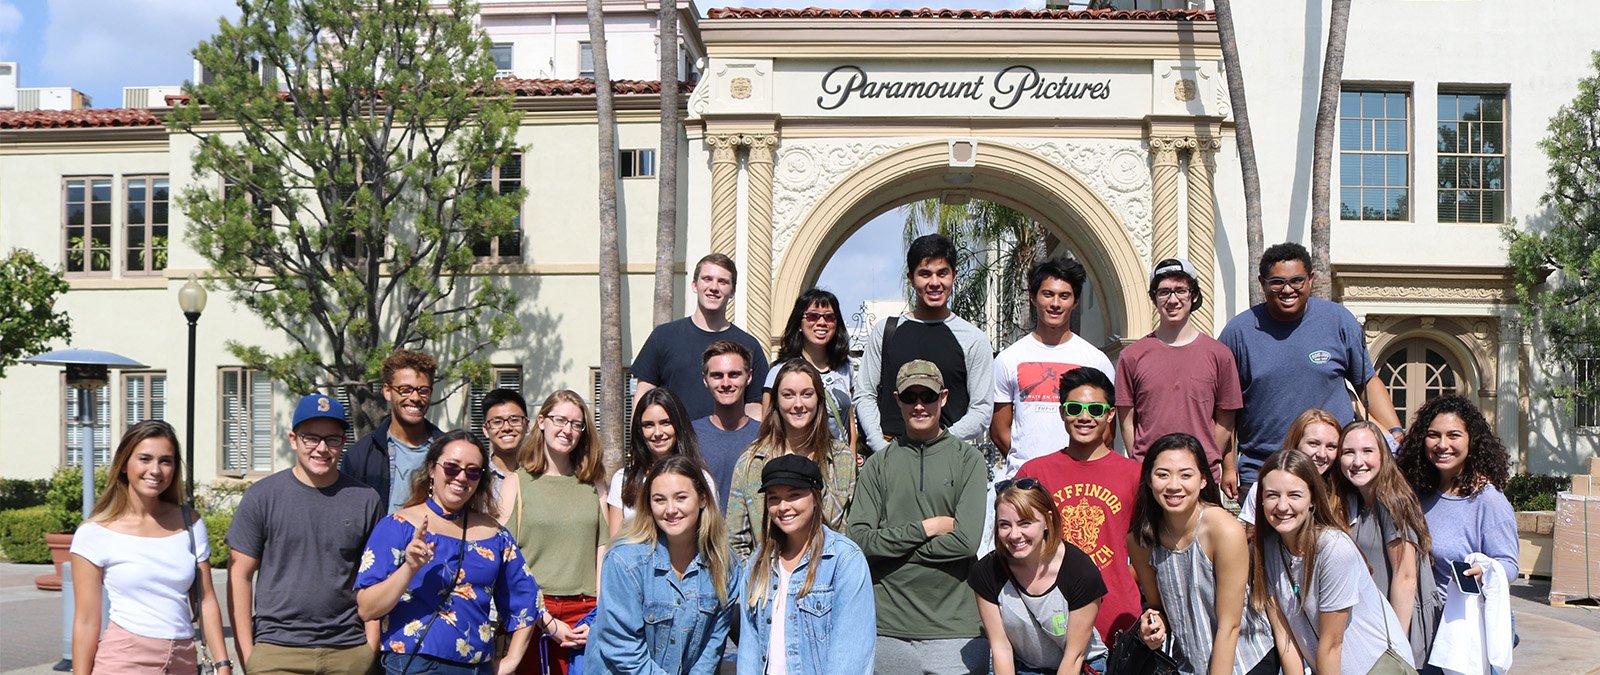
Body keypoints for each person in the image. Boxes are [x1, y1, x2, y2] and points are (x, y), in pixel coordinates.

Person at [1218, 242, 1403, 497]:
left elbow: (1366, 382)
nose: (1287, 290)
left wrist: (1395, 432)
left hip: (1331, 469)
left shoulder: (1338, 320)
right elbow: (1227, 409)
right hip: (1263, 471)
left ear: (1311, 279)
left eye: (1297, 281)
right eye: (1277, 282)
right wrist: (1228, 466)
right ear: (1262, 283)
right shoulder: (1238, 333)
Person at [354, 430, 542, 674]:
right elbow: (367, 608)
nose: (461, 477)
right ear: (432, 469)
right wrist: (409, 568)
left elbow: (527, 596)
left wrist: (512, 660)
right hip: (414, 664)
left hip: (476, 667)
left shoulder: (495, 534)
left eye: (473, 471)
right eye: (452, 467)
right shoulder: (397, 526)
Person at [846, 360, 989, 674]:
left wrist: (894, 550)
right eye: (911, 397)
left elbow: (965, 543)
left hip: (956, 629)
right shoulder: (877, 465)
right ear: (898, 399)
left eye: (929, 396)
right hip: (888, 628)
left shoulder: (969, 461)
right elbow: (859, 540)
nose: (920, 405)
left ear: (944, 397)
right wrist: (930, 527)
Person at [227, 394, 384, 673]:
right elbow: (239, 574)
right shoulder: (263, 496)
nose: (322, 448)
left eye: (332, 439)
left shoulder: (365, 499)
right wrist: (247, 653)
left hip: (348, 650)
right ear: (293, 439)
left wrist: (370, 647)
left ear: (342, 443)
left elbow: (372, 577)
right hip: (277, 649)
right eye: (311, 438)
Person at [70, 420, 233, 675]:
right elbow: (87, 621)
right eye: (145, 459)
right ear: (124, 464)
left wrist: (223, 662)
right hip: (124, 660)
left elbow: (206, 600)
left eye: (165, 461)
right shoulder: (94, 533)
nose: (155, 470)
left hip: (183, 660)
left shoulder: (190, 523)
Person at [1252, 450, 1415, 675]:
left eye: (1294, 495)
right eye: (1272, 495)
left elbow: (1332, 645)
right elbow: (1285, 637)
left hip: (1378, 668)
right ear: (1260, 500)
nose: (1282, 505)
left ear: (1312, 500)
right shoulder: (1268, 548)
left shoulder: (1333, 548)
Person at [1127, 433, 1278, 675]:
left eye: (1186, 475)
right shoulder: (1139, 541)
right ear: (1148, 479)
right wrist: (1154, 626)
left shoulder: (1224, 530)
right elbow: (1158, 606)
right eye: (1162, 474)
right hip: (1189, 663)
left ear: (1204, 481)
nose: (1174, 485)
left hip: (1245, 661)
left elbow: (1230, 624)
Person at [1015, 366, 1141, 641]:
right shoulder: (1033, 474)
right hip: (1050, 622)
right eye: (1074, 408)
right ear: (1062, 413)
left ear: (1110, 414)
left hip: (1117, 621)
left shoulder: (1134, 475)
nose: (1085, 417)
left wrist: (1122, 578)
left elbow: (1147, 549)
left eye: (1096, 410)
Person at [586, 455, 739, 674]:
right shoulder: (624, 561)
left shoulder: (726, 564)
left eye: (681, 497)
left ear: (703, 499)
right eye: (659, 500)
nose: (670, 509)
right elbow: (622, 647)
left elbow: (712, 647)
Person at [856, 233, 995, 453]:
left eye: (942, 273)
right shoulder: (885, 332)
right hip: (890, 453)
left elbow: (982, 410)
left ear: (954, 276)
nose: (934, 283)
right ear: (910, 278)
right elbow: (865, 394)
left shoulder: (973, 339)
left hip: (948, 458)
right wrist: (881, 447)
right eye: (925, 274)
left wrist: (939, 443)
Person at [1115, 258, 1244, 496]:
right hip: (1149, 477)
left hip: (1201, 478)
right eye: (1164, 292)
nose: (1172, 300)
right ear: (1154, 297)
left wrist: (1201, 460)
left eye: (1180, 290)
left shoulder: (1220, 355)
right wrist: (1142, 462)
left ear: (1194, 296)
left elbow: (1226, 419)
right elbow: (1127, 419)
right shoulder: (1131, 356)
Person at [737, 454, 875, 674]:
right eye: (774, 498)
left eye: (794, 495)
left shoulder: (844, 560)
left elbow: (850, 656)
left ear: (815, 497)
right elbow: (749, 649)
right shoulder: (759, 562)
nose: (783, 507)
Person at [508, 391, 609, 675]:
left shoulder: (594, 483)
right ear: (541, 421)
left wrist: (598, 617)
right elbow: (508, 561)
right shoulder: (516, 483)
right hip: (534, 614)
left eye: (577, 424)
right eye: (560, 420)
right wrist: (546, 622)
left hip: (586, 614)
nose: (568, 430)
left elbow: (604, 548)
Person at [992, 256, 1115, 478]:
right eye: (1048, 294)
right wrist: (1031, 467)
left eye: (1064, 296)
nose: (1055, 304)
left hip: (1079, 480)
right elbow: (1000, 431)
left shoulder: (1095, 360)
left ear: (1075, 301)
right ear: (1033, 297)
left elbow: (1106, 430)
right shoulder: (1009, 359)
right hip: (1026, 484)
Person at [970, 476, 1107, 675]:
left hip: (1080, 665)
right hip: (1026, 667)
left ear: (1047, 521)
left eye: (1025, 523)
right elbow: (1001, 649)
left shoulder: (1080, 571)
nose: (1014, 535)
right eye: (1005, 525)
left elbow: (1074, 656)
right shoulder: (987, 572)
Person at [1395, 395, 1518, 613]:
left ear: (1472, 440)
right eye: (1433, 435)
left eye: (1454, 435)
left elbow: (1509, 565)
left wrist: (1483, 571)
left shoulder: (1488, 500)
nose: (1442, 445)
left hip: (1464, 625)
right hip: (1421, 621)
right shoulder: (1416, 492)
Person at [1332, 420, 1439, 666]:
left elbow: (1406, 576)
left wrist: (1394, 647)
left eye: (1367, 451)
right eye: (1349, 452)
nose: (1358, 461)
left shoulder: (1391, 500)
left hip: (1396, 634)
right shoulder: (1357, 502)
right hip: (1372, 631)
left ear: (1383, 455)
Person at [728, 359, 858, 559]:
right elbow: (735, 542)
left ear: (819, 399)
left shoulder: (842, 459)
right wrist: (757, 581)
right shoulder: (751, 462)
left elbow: (848, 531)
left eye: (807, 394)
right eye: (788, 395)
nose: (798, 404)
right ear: (776, 402)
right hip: (768, 582)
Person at [632, 253, 771, 421]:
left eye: (723, 281)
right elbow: (643, 396)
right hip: (673, 445)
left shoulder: (749, 345)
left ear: (732, 290)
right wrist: (638, 443)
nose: (714, 287)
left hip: (726, 446)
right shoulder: (663, 337)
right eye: (707, 279)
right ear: (694, 285)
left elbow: (755, 405)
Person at [343, 349, 446, 513]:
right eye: (405, 389)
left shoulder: (447, 451)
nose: (415, 398)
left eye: (423, 390)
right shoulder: (360, 457)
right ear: (387, 391)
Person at [606, 387, 717, 535]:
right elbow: (614, 544)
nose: (658, 433)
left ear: (678, 425)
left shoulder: (702, 479)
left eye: (666, 423)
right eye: (648, 425)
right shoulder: (622, 480)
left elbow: (711, 535)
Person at [763, 288, 857, 450]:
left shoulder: (845, 367)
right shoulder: (779, 371)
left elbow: (849, 422)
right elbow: (768, 426)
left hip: (838, 463)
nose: (821, 322)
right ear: (799, 323)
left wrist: (851, 459)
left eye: (829, 317)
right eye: (813, 316)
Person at [1236, 408, 1343, 534]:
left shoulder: (1343, 494)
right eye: (1313, 444)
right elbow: (1254, 540)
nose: (1322, 454)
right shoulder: (1262, 489)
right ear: (1296, 443)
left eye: (1331, 446)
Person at [694, 339, 762, 510]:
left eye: (734, 374)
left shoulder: (766, 435)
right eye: (717, 375)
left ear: (749, 377)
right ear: (705, 380)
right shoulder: (689, 435)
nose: (725, 383)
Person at [480, 389, 531, 526]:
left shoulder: (540, 473)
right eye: (497, 422)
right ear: (485, 429)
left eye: (514, 420)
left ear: (527, 425)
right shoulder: (476, 476)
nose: (507, 427)